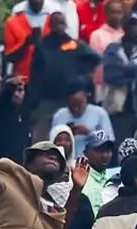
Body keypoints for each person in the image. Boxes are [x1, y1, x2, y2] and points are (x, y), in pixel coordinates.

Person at [28, 11, 101, 143]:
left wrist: (84, 80)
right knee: (43, 139)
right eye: (56, 23)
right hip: (48, 100)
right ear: (50, 25)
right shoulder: (42, 46)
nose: (59, 26)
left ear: (66, 25)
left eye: (62, 23)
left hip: (70, 100)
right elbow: (35, 74)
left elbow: (95, 59)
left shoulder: (74, 44)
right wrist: (33, 101)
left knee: (69, 138)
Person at [101, 12, 137, 138]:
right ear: (123, 26)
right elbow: (109, 74)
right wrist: (133, 73)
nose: (133, 27)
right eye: (129, 24)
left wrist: (124, 69)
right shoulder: (112, 48)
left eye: (135, 24)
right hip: (118, 106)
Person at [52, 88, 114, 158]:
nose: (76, 108)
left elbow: (109, 138)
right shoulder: (59, 116)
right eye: (72, 105)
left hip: (90, 161)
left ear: (85, 99)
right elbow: (52, 140)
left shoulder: (99, 113)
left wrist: (89, 132)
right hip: (65, 160)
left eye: (79, 104)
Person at [0, 75, 31, 163]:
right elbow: (2, 102)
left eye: (20, 90)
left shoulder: (24, 114)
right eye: (12, 90)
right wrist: (9, 86)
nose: (16, 94)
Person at [4, 0, 51, 81]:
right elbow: (9, 57)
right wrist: (25, 44)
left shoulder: (54, 21)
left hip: (49, 79)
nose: (37, 1)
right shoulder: (13, 22)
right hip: (23, 80)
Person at [88, 0, 126, 99]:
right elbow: (96, 63)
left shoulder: (126, 34)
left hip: (124, 84)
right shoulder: (97, 35)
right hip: (103, 85)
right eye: (113, 12)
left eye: (119, 12)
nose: (116, 16)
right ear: (106, 14)